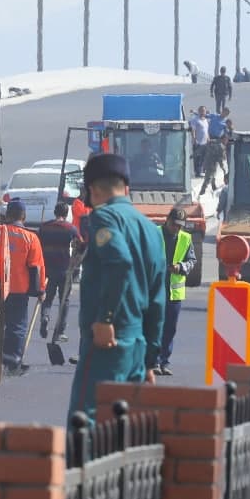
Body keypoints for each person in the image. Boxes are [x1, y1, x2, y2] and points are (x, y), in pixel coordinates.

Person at [67, 154, 167, 419]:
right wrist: (149, 360)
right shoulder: (152, 231)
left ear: (93, 190)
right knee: (123, 429)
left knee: (85, 422)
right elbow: (158, 299)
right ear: (127, 188)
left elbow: (119, 262)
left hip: (108, 343)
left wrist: (105, 319)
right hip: (137, 346)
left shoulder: (105, 218)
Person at [0, 200, 45, 373]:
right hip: (18, 289)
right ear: (23, 216)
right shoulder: (31, 238)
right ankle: (13, 361)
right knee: (17, 326)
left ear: (7, 215)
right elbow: (36, 267)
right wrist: (40, 291)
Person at [155, 206, 195, 376]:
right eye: (173, 224)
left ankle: (164, 361)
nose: (176, 228)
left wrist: (181, 267)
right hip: (155, 290)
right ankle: (153, 361)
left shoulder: (186, 238)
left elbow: (192, 260)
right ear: (167, 220)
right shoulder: (155, 233)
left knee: (170, 329)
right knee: (154, 327)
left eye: (179, 225)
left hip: (174, 292)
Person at [37, 202, 83, 342]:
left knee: (48, 298)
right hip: (64, 269)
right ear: (66, 213)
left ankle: (45, 316)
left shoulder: (44, 227)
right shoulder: (70, 228)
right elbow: (80, 244)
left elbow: (37, 244)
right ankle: (60, 331)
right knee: (64, 300)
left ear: (55, 212)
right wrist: (76, 260)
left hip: (48, 269)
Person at [188, 106, 209, 177]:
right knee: (197, 158)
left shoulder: (205, 120)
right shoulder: (195, 120)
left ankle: (201, 171)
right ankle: (197, 172)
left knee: (204, 158)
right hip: (198, 142)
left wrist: (208, 139)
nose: (203, 112)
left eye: (204, 111)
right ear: (199, 111)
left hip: (205, 143)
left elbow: (206, 131)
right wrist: (194, 139)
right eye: (201, 111)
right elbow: (193, 130)